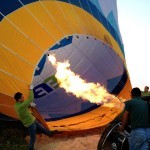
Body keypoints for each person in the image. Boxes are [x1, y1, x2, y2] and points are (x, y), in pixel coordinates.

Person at [14, 85, 54, 150]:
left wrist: (30, 105)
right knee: (33, 137)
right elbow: (30, 99)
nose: (23, 98)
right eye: (22, 97)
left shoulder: (16, 105)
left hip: (32, 119)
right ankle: (30, 148)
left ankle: (49, 134)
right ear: (19, 99)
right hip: (30, 124)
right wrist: (31, 89)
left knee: (42, 128)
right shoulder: (20, 106)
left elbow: (24, 108)